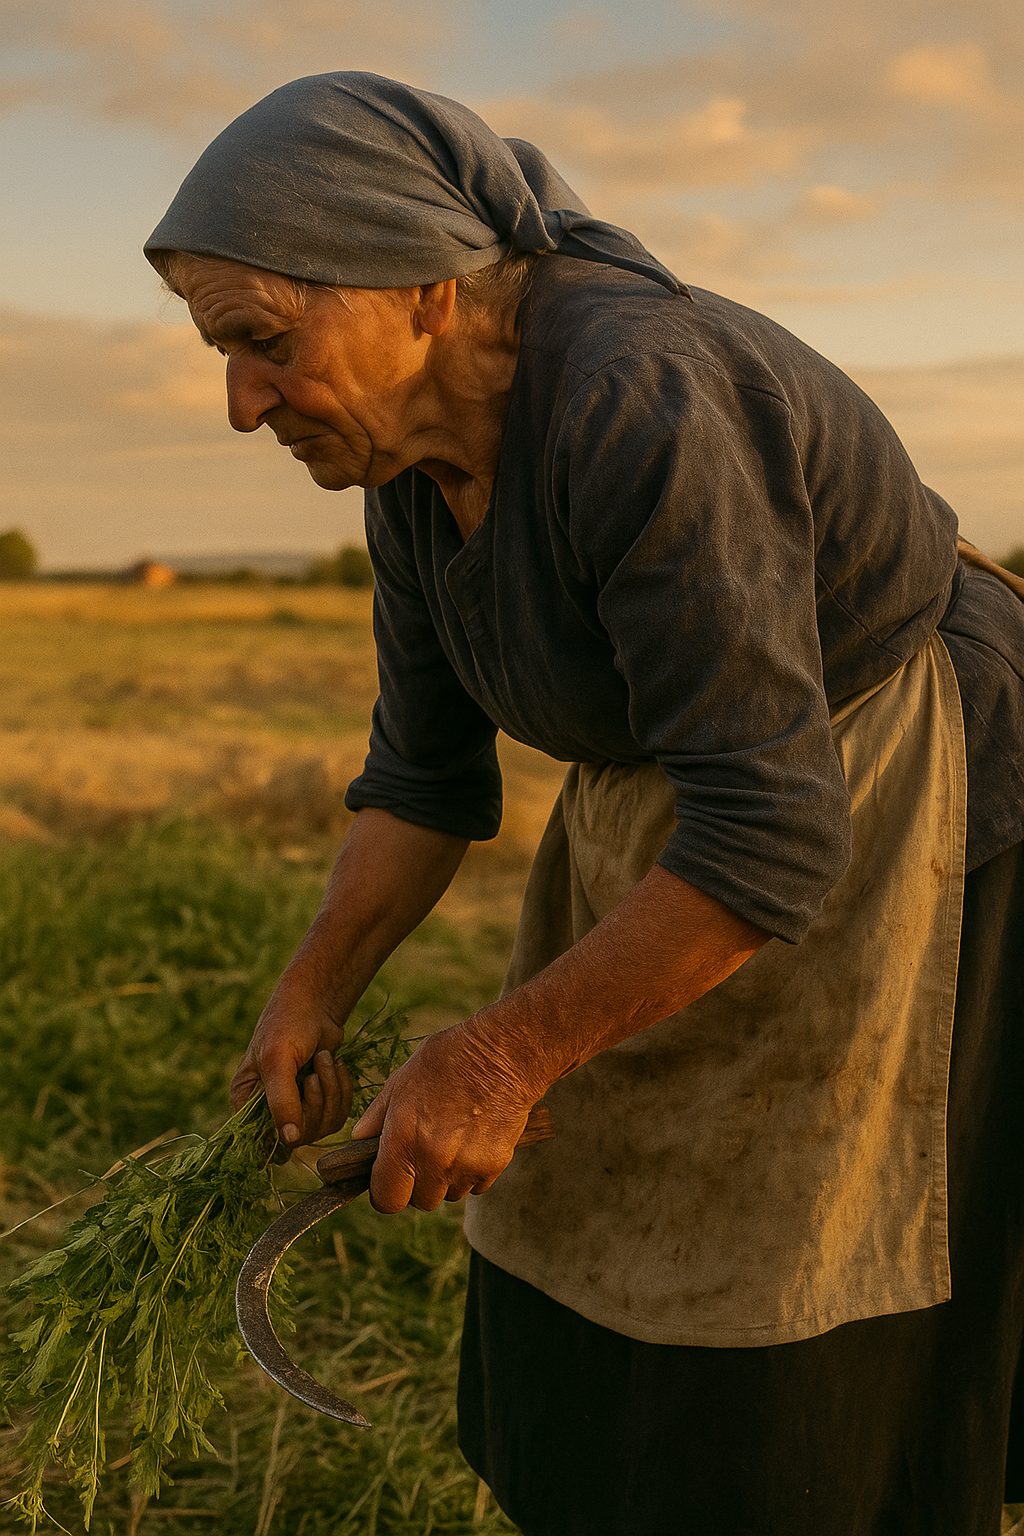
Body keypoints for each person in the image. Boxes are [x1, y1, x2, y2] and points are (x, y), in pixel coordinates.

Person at [144, 72, 1024, 1536]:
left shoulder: (638, 395)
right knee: (588, 1217)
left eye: (264, 343)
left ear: (421, 288)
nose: (242, 404)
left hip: (885, 798)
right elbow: (424, 781)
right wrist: (314, 991)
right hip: (687, 819)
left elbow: (769, 833)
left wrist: (496, 1060)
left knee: (810, 1256)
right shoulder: (408, 468)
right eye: (226, 355)